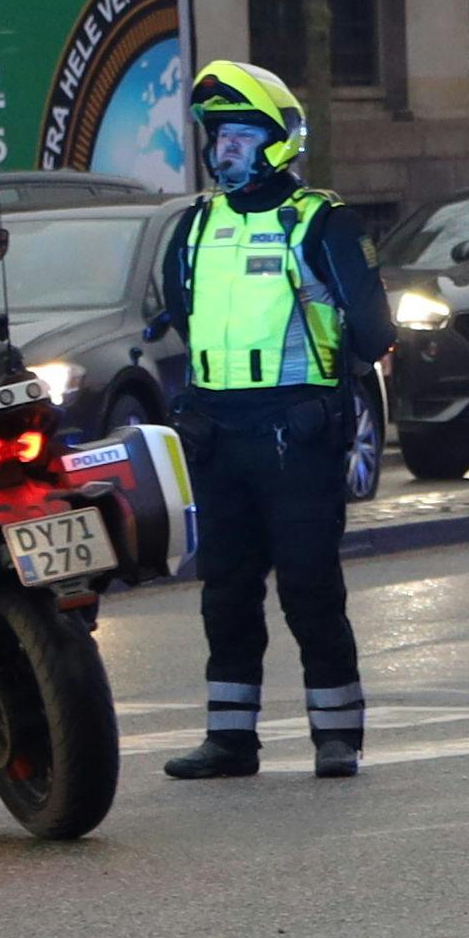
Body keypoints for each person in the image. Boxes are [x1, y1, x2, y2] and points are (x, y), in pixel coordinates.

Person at [149, 59, 392, 783]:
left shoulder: (321, 222)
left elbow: (373, 333)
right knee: (224, 591)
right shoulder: (193, 227)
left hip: (296, 433)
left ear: (277, 141)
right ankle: (230, 740)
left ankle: (335, 737)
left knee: (310, 587)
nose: (226, 153)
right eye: (218, 138)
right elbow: (181, 318)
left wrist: (328, 394)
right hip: (219, 436)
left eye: (242, 137)